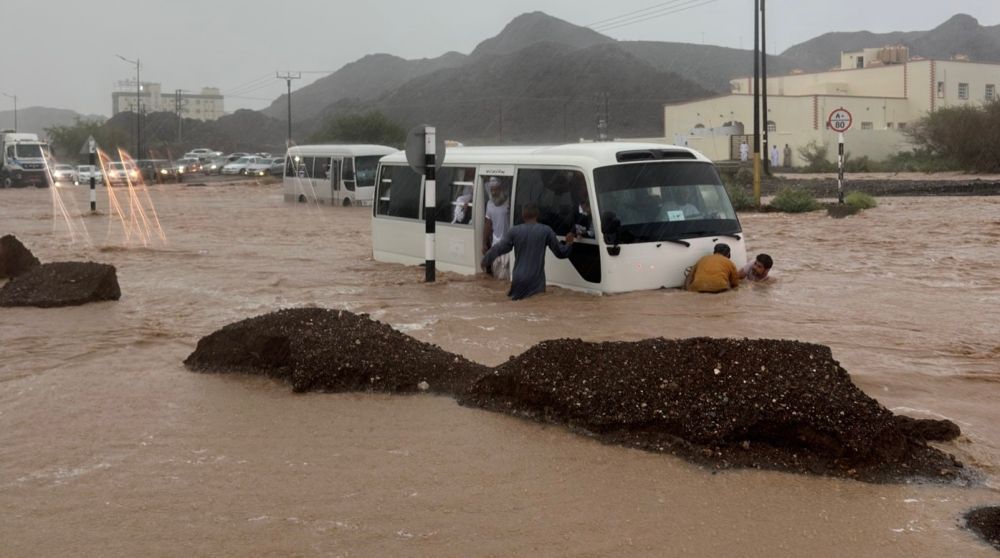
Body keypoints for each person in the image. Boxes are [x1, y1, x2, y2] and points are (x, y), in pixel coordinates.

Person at [482, 202, 575, 301]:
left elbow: (499, 248)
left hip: (518, 279)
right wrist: (569, 243)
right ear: (537, 214)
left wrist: (485, 260)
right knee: (535, 309)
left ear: (523, 215)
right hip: (535, 281)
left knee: (517, 309)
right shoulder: (546, 231)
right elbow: (561, 253)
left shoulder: (514, 231)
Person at [483, 177, 511, 278]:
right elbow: (488, 224)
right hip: (496, 244)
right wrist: (484, 243)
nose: (494, 192)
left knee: (506, 276)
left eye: (496, 189)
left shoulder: (509, 203)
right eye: (492, 190)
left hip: (509, 245)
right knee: (496, 276)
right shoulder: (489, 204)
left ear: (501, 189)